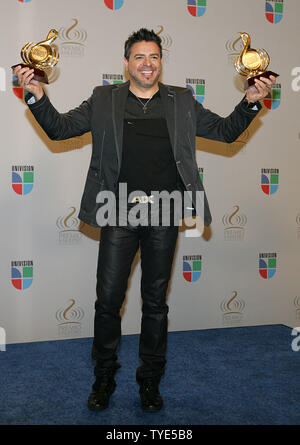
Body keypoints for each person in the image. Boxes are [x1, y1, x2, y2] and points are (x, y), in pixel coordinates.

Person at [14, 28, 275, 413]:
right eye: (139, 57)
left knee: (155, 304)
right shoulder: (105, 99)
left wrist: (251, 102)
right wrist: (36, 96)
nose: (147, 64)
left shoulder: (181, 100)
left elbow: (223, 132)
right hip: (116, 211)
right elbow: (61, 128)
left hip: (165, 211)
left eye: (153, 57)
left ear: (160, 62)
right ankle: (103, 377)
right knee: (108, 301)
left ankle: (150, 383)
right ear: (126, 63)